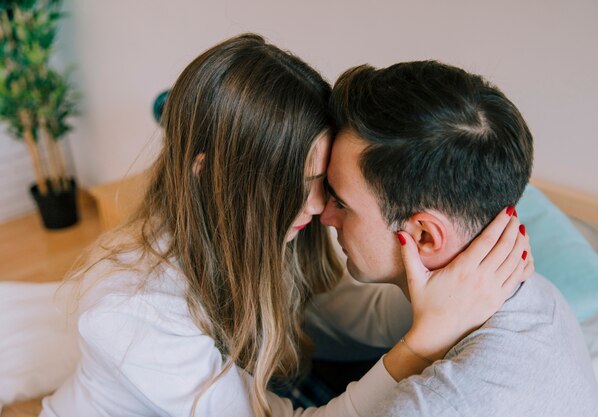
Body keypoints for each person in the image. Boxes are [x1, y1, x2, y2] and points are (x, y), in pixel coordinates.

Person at [0, 35, 529, 417]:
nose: (323, 207)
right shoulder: (130, 311)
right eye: (301, 180)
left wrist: (443, 288)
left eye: (322, 178)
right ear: (209, 175)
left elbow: (343, 313)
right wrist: (419, 346)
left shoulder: (269, 228)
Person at [308, 60, 598, 416]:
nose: (325, 215)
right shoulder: (540, 295)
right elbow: (350, 318)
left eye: (341, 201)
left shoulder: (434, 403)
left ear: (424, 236)